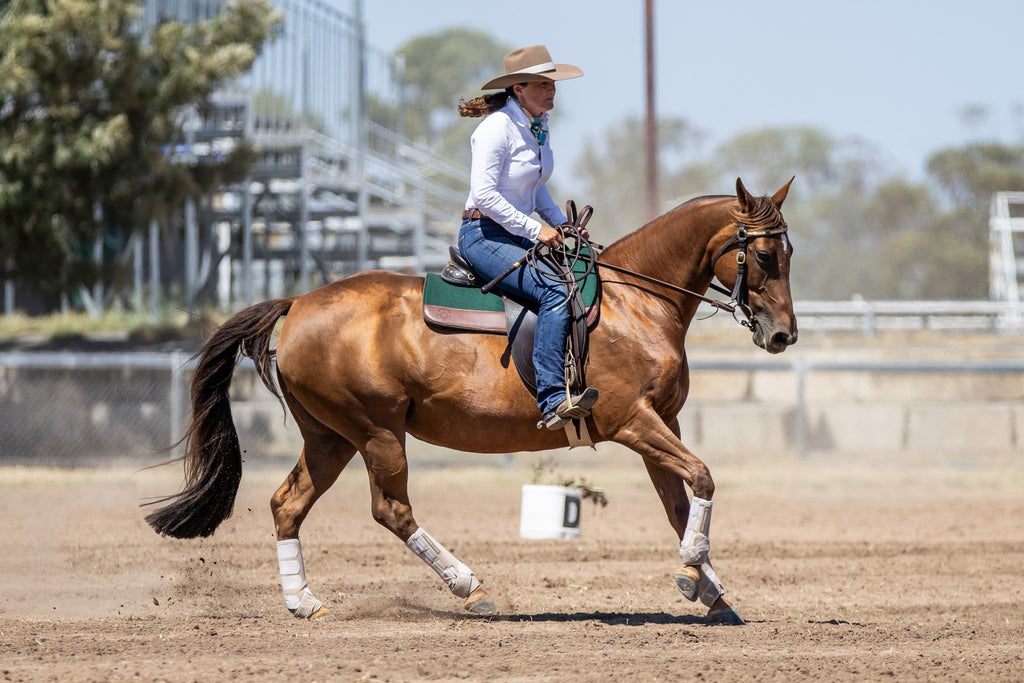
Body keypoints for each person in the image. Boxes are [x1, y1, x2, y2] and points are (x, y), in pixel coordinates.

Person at [456, 44, 597, 430]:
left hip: (512, 232)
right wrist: (537, 229)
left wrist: (561, 223)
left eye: (552, 82)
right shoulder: (496, 129)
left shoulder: (539, 127)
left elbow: (534, 190)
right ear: (518, 88)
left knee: (573, 277)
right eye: (541, 83)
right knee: (555, 291)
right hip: (482, 233)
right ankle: (552, 399)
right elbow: (484, 195)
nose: (551, 90)